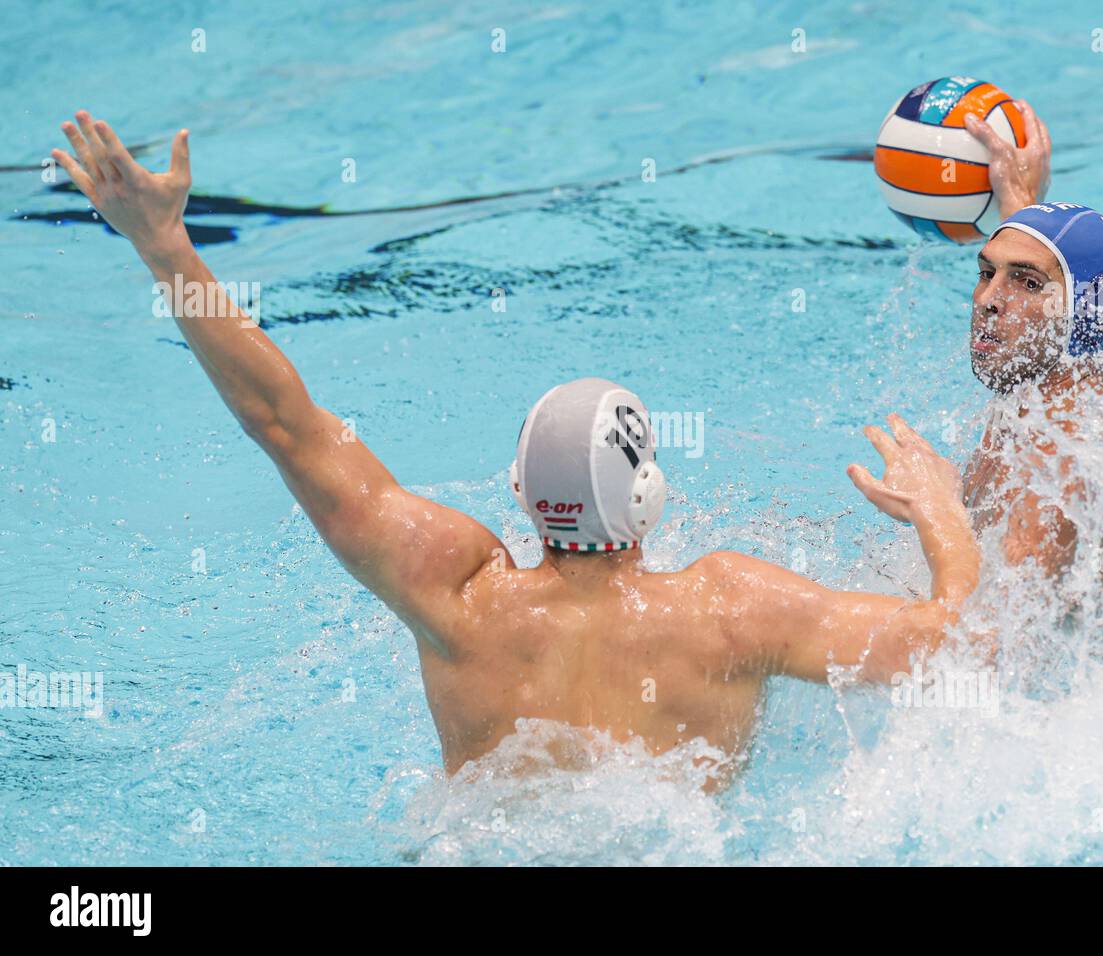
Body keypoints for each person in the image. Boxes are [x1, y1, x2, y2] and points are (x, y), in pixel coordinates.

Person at [51, 111, 980, 782]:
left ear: (524, 496)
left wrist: (166, 245)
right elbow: (948, 644)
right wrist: (944, 520)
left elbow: (281, 423)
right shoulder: (731, 609)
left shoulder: (455, 597)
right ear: (648, 494)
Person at [963, 109, 1103, 577]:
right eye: (986, 273)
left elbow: (990, 640)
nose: (989, 300)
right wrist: (1021, 202)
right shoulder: (1061, 386)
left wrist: (930, 507)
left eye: (1025, 283)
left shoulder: (1058, 460)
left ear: (1081, 309)